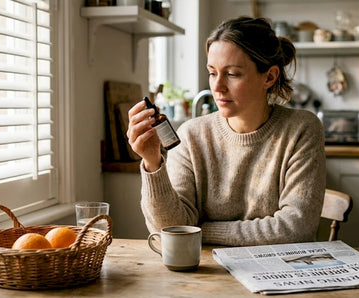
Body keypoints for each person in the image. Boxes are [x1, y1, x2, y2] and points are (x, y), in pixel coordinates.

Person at [127, 16, 326, 246]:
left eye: (232, 74)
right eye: (212, 72)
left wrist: (201, 231)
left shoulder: (301, 129)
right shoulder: (191, 135)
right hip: (207, 274)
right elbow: (170, 230)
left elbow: (296, 229)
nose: (217, 87)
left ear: (269, 77)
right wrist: (152, 162)